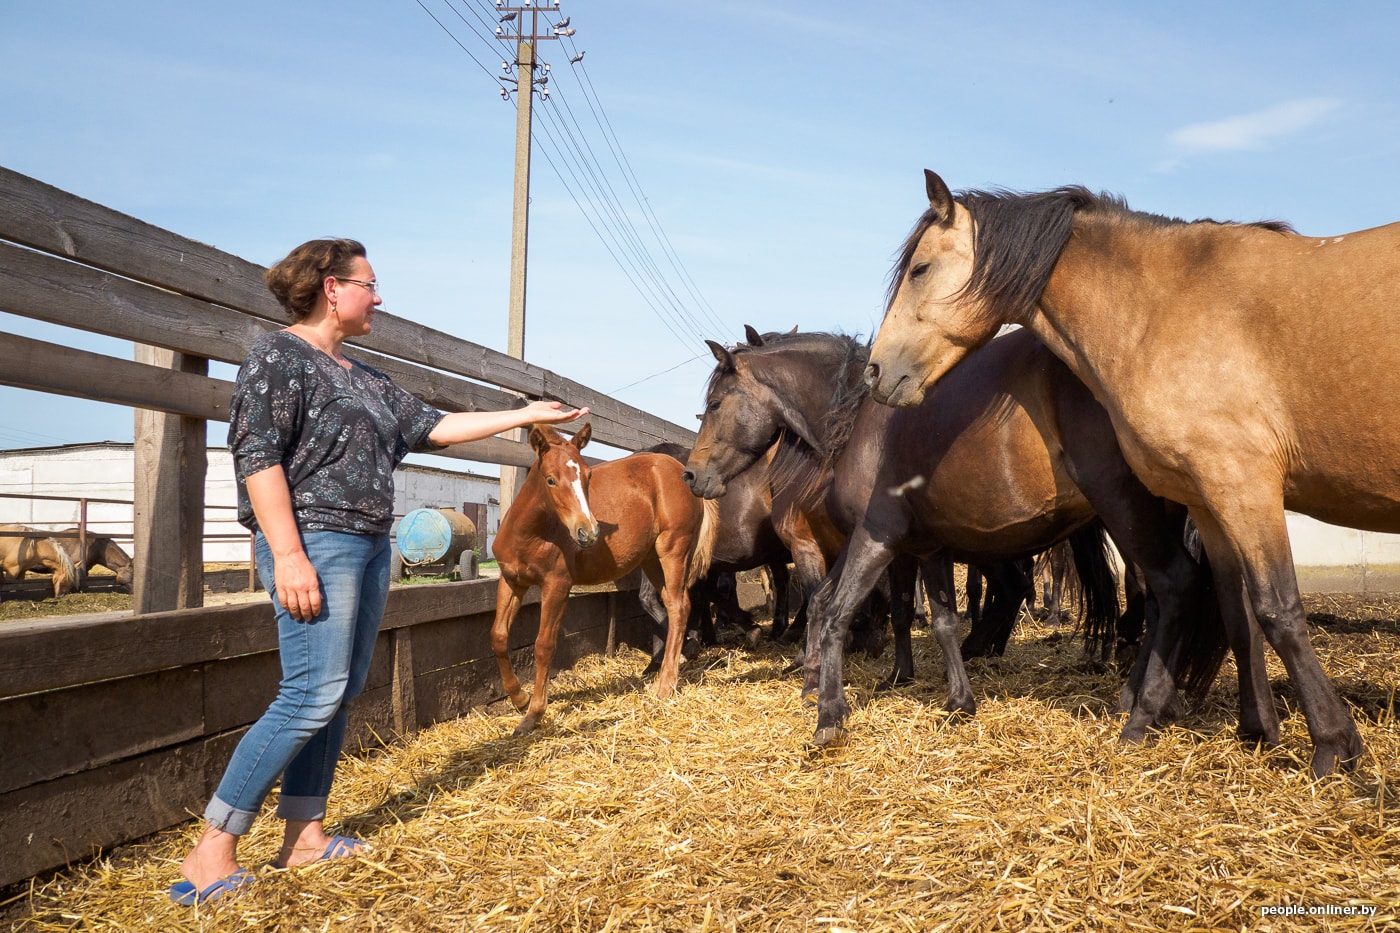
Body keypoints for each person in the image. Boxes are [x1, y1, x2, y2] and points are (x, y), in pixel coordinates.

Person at [171, 238, 587, 905]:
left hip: (368, 542)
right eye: (369, 283)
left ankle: (304, 833)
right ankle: (212, 847)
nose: (380, 296)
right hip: (314, 538)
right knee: (309, 690)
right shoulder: (278, 357)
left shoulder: (363, 377)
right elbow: (258, 457)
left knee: (339, 687)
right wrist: (287, 552)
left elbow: (439, 425)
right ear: (330, 287)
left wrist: (528, 414)